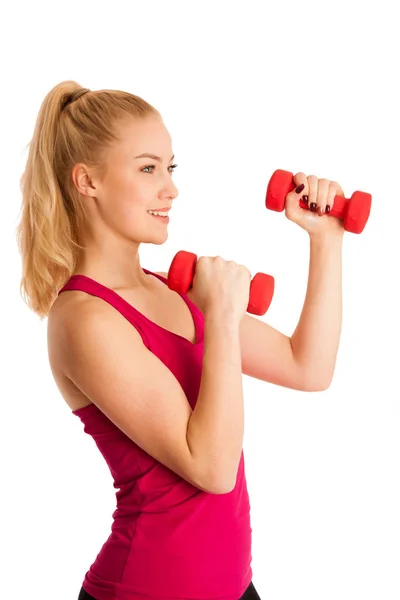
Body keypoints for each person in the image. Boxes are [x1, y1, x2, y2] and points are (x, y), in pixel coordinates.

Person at [16, 80, 345, 600]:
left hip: (236, 588)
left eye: (170, 169)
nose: (170, 189)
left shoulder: (176, 290)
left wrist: (326, 240)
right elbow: (211, 467)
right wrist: (222, 318)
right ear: (87, 181)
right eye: (147, 169)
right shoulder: (83, 318)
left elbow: (309, 368)